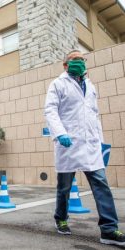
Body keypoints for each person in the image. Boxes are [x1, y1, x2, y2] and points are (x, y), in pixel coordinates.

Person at [44, 50, 125, 246]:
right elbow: (50, 110)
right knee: (64, 188)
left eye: (82, 59)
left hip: (91, 146)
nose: (79, 62)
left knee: (101, 186)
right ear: (65, 65)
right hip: (68, 143)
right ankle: (61, 218)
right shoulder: (58, 84)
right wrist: (60, 133)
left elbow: (94, 115)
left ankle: (108, 229)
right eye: (74, 60)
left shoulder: (90, 85)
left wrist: (102, 143)